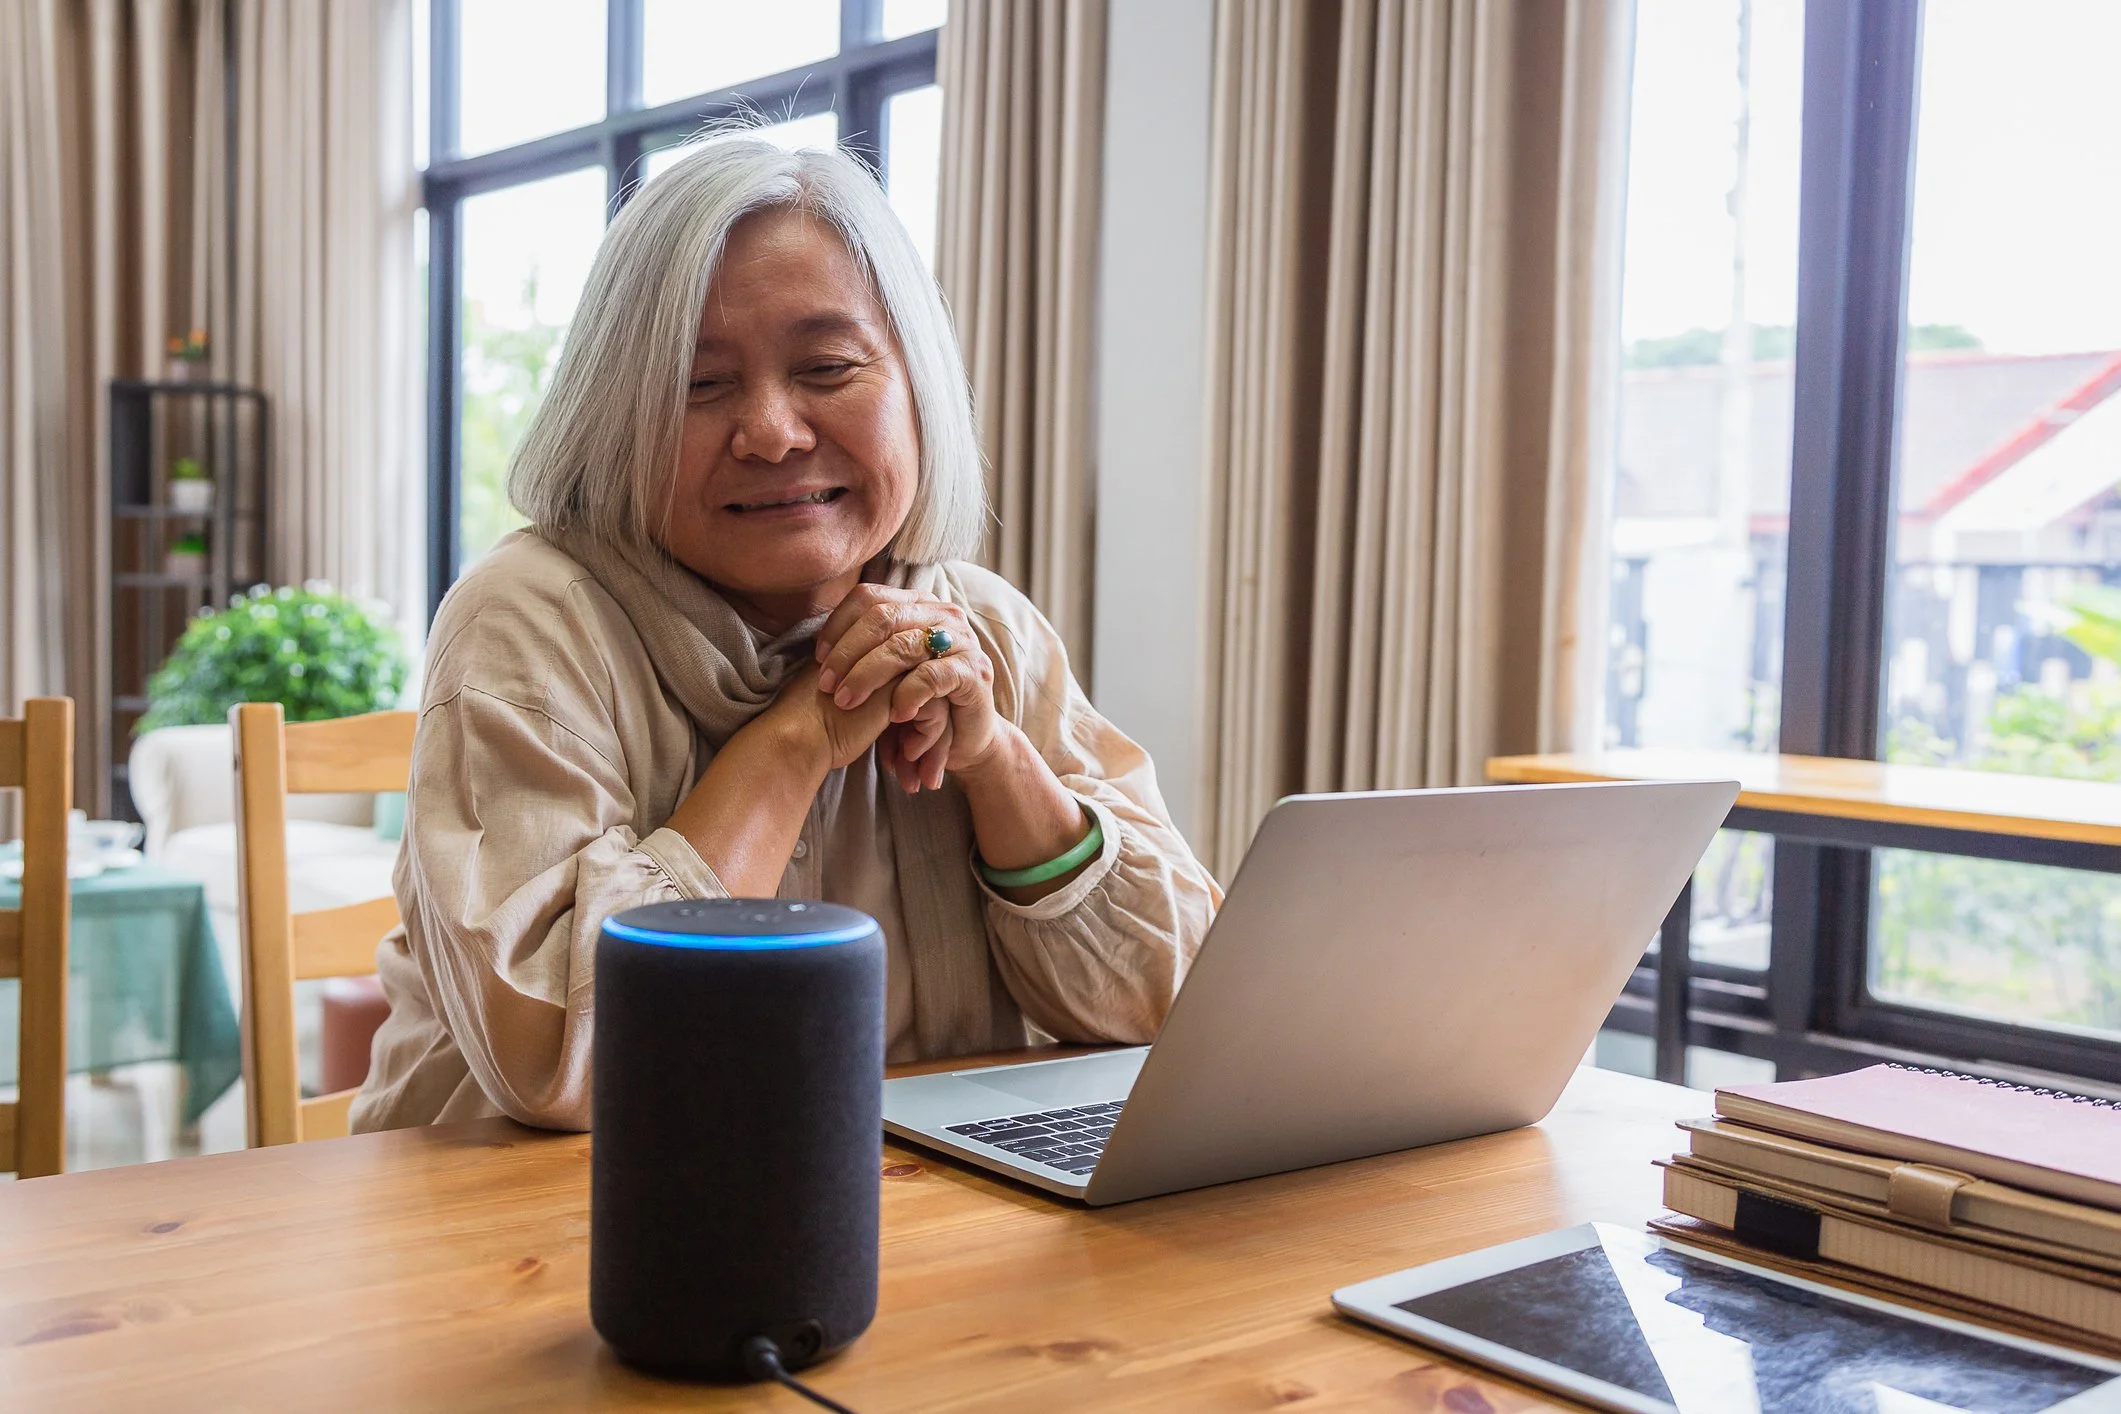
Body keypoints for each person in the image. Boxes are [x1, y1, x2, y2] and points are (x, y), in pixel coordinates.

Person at [351, 138, 1219, 1131]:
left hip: (910, 1224)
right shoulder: (531, 620)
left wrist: (995, 760)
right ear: (611, 414)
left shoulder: (975, 624)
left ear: (916, 385)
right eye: (698, 382)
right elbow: (575, 1065)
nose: (771, 431)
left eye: (827, 366)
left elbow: (1177, 1006)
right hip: (525, 1242)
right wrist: (805, 730)